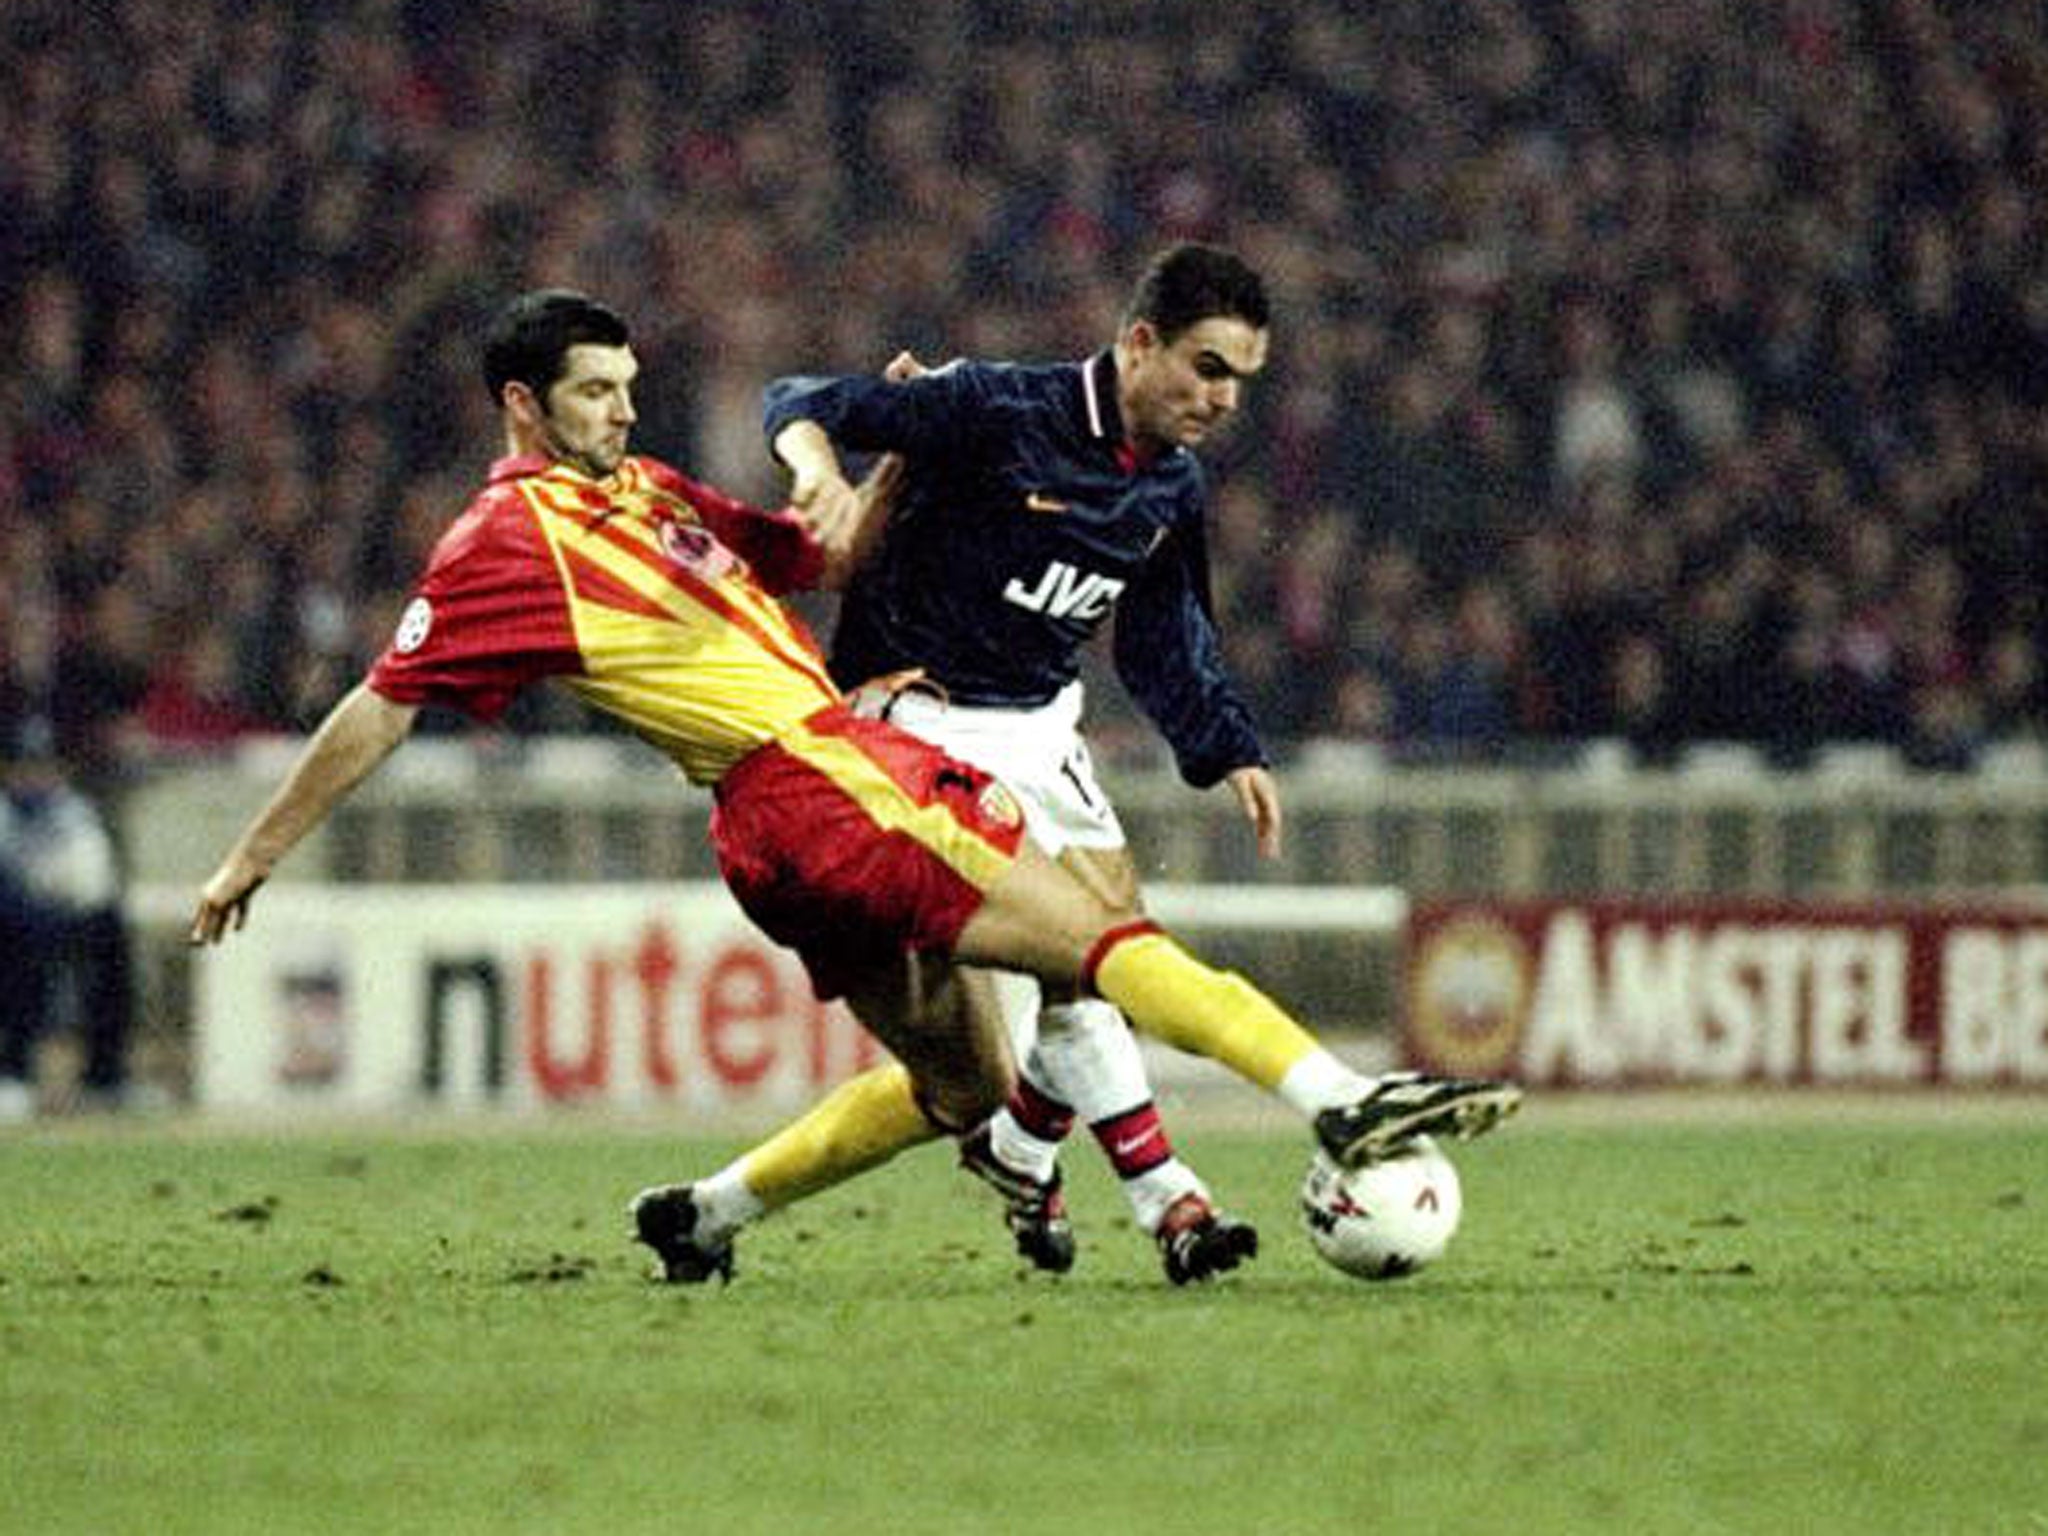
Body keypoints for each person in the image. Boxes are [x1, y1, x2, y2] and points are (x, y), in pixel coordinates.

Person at [186, 288, 1517, 1283]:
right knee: (1099, 942)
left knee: (967, 1091)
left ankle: (707, 1217)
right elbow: (382, 702)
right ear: (522, 404)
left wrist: (883, 468)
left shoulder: (648, 494)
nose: (626, 411)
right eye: (596, 392)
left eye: (630, 385)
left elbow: (821, 559)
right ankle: (1340, 1100)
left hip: (777, 833)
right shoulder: (505, 541)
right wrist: (253, 855)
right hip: (818, 779)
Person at [629, 246, 1521, 1285]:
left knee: (1001, 1052)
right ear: (1137, 342)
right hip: (919, 724)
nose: (1221, 398)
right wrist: (818, 471)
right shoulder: (1001, 409)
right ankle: (1172, 1199)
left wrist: (1223, 742)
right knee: (1091, 963)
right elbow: (801, 398)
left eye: (1239, 379)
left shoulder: (1171, 485)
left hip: (1044, 729)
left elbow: (1161, 632)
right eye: (1205, 367)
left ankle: (960, 1165)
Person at [0, 712, 136, 1119]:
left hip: (58, 920)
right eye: (25, 766)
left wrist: (66, 912)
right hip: (12, 923)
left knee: (110, 932)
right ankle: (13, 1070)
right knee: (19, 941)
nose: (35, 776)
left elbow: (93, 884)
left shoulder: (72, 812)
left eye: (44, 765)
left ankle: (105, 1076)